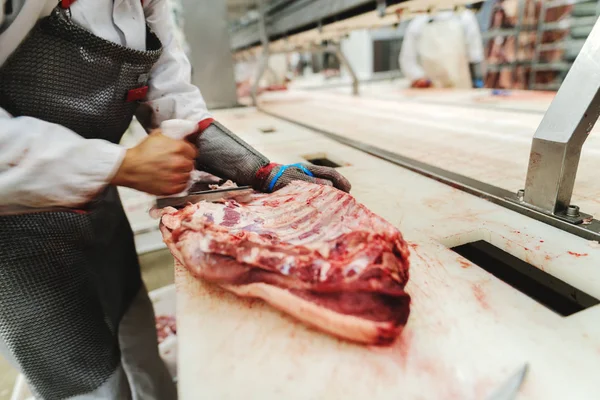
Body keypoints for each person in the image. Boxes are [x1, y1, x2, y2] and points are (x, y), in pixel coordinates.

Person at [0, 1, 351, 399]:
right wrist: (115, 164)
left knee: (137, 337)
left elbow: (175, 102)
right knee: (89, 385)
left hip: (101, 213)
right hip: (15, 238)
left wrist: (260, 170)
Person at [399, 6, 485, 89]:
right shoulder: (419, 21)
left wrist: (477, 82)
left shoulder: (465, 17)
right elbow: (407, 60)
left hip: (461, 88)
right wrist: (419, 77)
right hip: (430, 91)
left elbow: (475, 56)